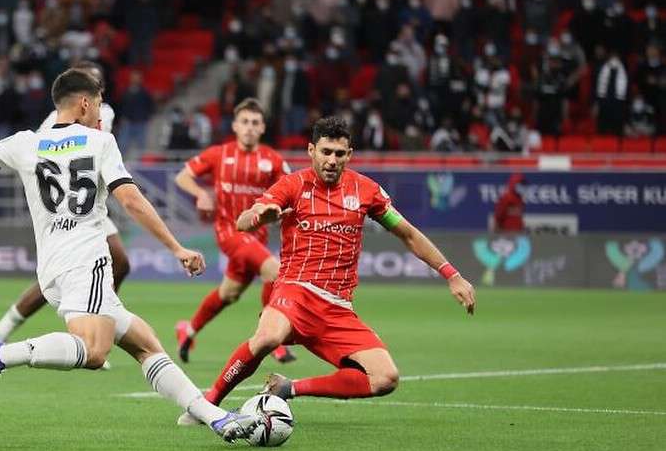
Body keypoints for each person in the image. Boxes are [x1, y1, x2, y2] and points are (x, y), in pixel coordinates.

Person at [0, 68, 263, 444]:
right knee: (94, 351)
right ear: (86, 103)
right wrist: (176, 247)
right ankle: (0, 355)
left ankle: (216, 418)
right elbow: (130, 199)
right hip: (87, 260)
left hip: (52, 268)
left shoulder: (26, 143)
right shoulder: (99, 143)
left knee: (144, 343)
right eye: (100, 105)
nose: (101, 114)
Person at [182, 116, 475, 417]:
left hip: (337, 308)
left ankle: (289, 388)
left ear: (349, 155)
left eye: (339, 154)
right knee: (268, 337)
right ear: (311, 151)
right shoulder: (293, 185)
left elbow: (409, 234)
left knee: (385, 379)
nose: (332, 160)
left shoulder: (366, 191)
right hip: (294, 292)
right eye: (325, 152)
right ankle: (206, 405)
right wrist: (261, 215)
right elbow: (243, 221)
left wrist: (452, 275)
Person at [0, 62, 129, 346]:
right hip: (68, 203)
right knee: (72, 267)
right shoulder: (56, 120)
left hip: (87, 202)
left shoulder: (102, 112)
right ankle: (3, 332)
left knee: (119, 262)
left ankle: (98, 316)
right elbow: (38, 152)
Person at [172, 98, 295, 366]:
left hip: (257, 237)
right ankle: (270, 338)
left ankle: (188, 330)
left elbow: (292, 190)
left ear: (262, 128)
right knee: (274, 271)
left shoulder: (272, 160)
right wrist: (201, 193)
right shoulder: (219, 154)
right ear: (236, 126)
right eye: (245, 122)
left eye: (255, 123)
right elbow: (182, 176)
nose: (250, 127)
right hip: (230, 232)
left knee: (229, 293)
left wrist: (281, 210)